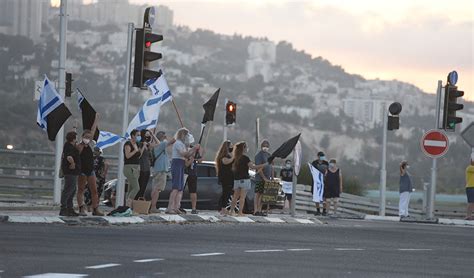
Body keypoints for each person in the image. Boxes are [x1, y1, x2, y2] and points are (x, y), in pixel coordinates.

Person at [166, 128, 200, 214]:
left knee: (180, 188)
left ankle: (176, 207)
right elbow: (184, 154)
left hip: (181, 164)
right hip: (177, 163)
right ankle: (170, 208)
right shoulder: (177, 143)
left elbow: (187, 155)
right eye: (186, 135)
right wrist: (193, 149)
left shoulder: (182, 144)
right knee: (176, 187)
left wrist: (194, 150)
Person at [76, 115, 104, 216]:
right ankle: (81, 208)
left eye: (89, 137)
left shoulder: (90, 145)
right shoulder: (79, 146)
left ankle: (95, 208)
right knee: (81, 189)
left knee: (94, 190)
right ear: (82, 137)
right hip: (82, 170)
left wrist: (96, 119)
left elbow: (92, 130)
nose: (87, 139)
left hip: (90, 170)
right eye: (85, 137)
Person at [230, 141, 267, 216]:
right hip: (245, 180)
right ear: (243, 148)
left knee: (235, 197)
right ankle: (240, 212)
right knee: (242, 197)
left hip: (236, 180)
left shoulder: (235, 158)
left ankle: (231, 211)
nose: (247, 148)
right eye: (246, 147)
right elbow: (253, 167)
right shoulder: (245, 158)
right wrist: (263, 164)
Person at [150, 131, 175, 213]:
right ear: (162, 137)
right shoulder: (161, 145)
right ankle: (153, 207)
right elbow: (172, 141)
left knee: (155, 189)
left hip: (158, 169)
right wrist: (182, 132)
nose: (166, 137)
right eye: (165, 136)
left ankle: (152, 206)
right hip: (160, 170)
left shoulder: (159, 145)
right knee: (157, 189)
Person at [123, 129, 146, 208]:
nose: (139, 137)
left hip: (136, 168)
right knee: (136, 188)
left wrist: (142, 148)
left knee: (131, 188)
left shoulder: (137, 144)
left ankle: (127, 207)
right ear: (133, 135)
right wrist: (135, 150)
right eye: (138, 135)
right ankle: (128, 205)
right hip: (129, 168)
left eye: (140, 135)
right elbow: (128, 156)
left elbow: (138, 156)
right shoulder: (128, 144)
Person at [59, 131, 80, 216]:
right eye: (76, 137)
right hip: (70, 172)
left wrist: (74, 127)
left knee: (72, 190)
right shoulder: (70, 147)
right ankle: (64, 208)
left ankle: (69, 208)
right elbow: (69, 157)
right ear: (74, 139)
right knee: (68, 190)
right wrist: (73, 163)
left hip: (72, 172)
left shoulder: (68, 145)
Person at [135, 129, 158, 200]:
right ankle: (136, 201)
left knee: (144, 187)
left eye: (149, 134)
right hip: (142, 168)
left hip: (148, 169)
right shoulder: (140, 143)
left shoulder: (148, 145)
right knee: (140, 186)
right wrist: (143, 147)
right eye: (147, 134)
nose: (148, 136)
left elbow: (158, 144)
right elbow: (138, 155)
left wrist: (153, 135)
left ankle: (140, 202)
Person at [215, 141, 234, 215]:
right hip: (226, 177)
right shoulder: (223, 156)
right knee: (226, 193)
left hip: (230, 177)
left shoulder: (230, 155)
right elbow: (225, 162)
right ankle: (222, 209)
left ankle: (222, 208)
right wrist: (233, 157)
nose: (232, 147)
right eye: (231, 146)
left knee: (227, 193)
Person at [254, 140, 272, 216]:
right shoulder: (259, 155)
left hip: (267, 178)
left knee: (263, 195)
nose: (266, 147)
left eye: (267, 146)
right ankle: (255, 210)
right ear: (261, 146)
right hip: (260, 178)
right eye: (264, 146)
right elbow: (259, 168)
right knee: (258, 194)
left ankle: (260, 210)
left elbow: (271, 166)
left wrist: (272, 177)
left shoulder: (269, 155)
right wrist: (264, 177)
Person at [184, 144, 204, 214]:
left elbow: (200, 161)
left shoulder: (196, 153)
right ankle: (177, 206)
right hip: (185, 174)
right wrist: (192, 158)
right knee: (180, 191)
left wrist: (201, 153)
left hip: (193, 174)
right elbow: (186, 164)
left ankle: (194, 208)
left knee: (193, 191)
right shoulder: (186, 153)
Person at [311, 151, 329, 216]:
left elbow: (328, 171)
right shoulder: (314, 163)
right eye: (321, 156)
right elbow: (312, 171)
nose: (322, 157)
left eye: (323, 156)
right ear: (318, 156)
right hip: (316, 182)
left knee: (324, 197)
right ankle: (318, 210)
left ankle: (324, 210)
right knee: (316, 196)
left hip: (324, 182)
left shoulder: (326, 163)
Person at [465, 154, 474, 220]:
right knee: (471, 202)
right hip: (471, 187)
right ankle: (468, 215)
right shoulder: (470, 168)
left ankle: (470, 215)